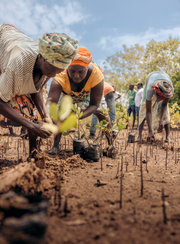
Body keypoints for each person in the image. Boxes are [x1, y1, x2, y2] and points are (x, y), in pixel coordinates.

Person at [0, 23, 78, 155]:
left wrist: (45, 115)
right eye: (50, 70)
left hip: (17, 41)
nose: (52, 75)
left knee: (33, 114)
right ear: (41, 57)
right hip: (4, 40)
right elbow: (1, 101)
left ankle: (34, 153)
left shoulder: (50, 61)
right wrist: (31, 126)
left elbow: (36, 88)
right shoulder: (17, 64)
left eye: (57, 72)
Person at [47, 47, 110, 155]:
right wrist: (47, 116)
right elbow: (51, 102)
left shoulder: (96, 74)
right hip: (67, 95)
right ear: (68, 67)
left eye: (81, 72)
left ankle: (111, 144)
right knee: (60, 114)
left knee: (103, 113)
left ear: (87, 68)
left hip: (88, 93)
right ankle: (55, 146)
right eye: (72, 71)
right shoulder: (60, 74)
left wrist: (77, 116)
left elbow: (94, 104)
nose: (76, 75)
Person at [137, 71, 174, 142]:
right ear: (157, 92)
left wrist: (161, 121)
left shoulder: (170, 90)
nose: (162, 98)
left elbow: (164, 104)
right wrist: (150, 131)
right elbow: (148, 111)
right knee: (143, 107)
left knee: (166, 111)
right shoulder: (149, 89)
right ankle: (139, 136)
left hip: (164, 76)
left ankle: (168, 137)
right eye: (161, 96)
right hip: (150, 77)